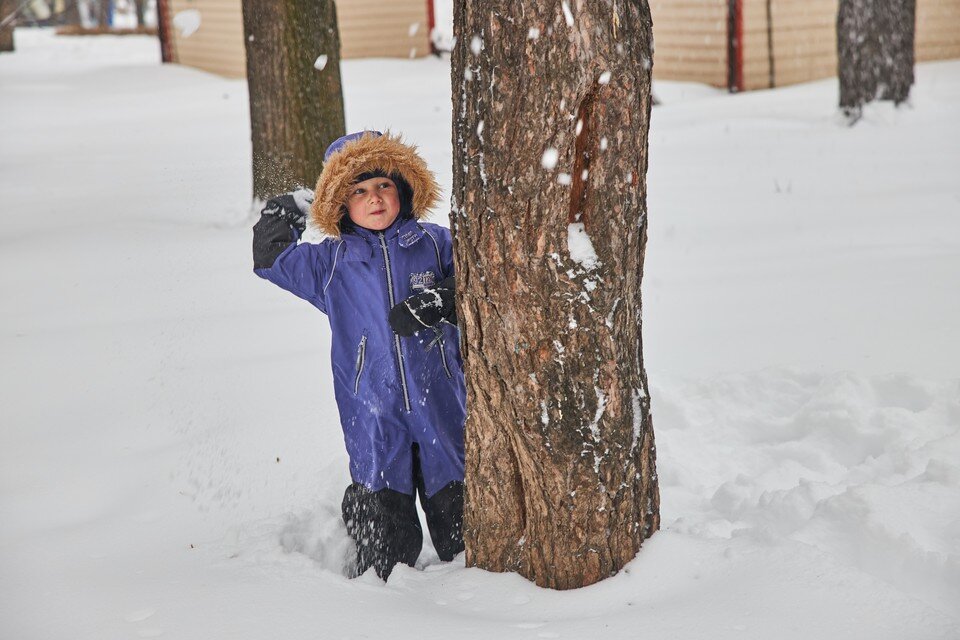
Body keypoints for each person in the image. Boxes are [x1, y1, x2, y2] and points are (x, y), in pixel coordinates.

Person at [251, 131, 465, 580]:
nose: (375, 199)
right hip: (371, 407)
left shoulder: (434, 243)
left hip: (442, 401)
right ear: (340, 203)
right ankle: (379, 588)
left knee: (459, 501)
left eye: (384, 185)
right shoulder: (330, 264)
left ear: (404, 188)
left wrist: (441, 300)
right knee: (381, 501)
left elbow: (481, 275)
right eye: (359, 191)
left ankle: (471, 574)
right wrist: (288, 209)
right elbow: (270, 259)